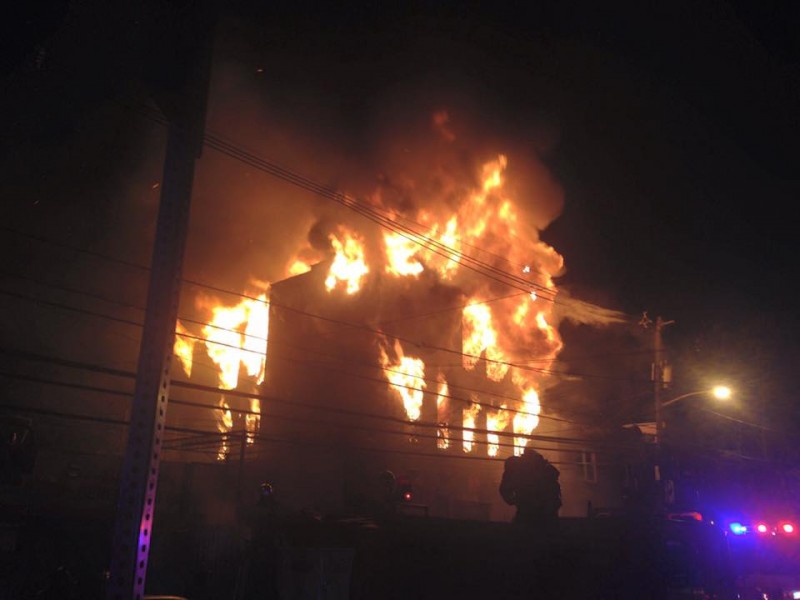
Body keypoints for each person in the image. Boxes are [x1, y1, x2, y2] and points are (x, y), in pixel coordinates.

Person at [499, 448, 561, 531]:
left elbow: (505, 489)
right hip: (544, 514)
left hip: (532, 513)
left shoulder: (520, 469)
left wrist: (514, 500)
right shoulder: (546, 470)